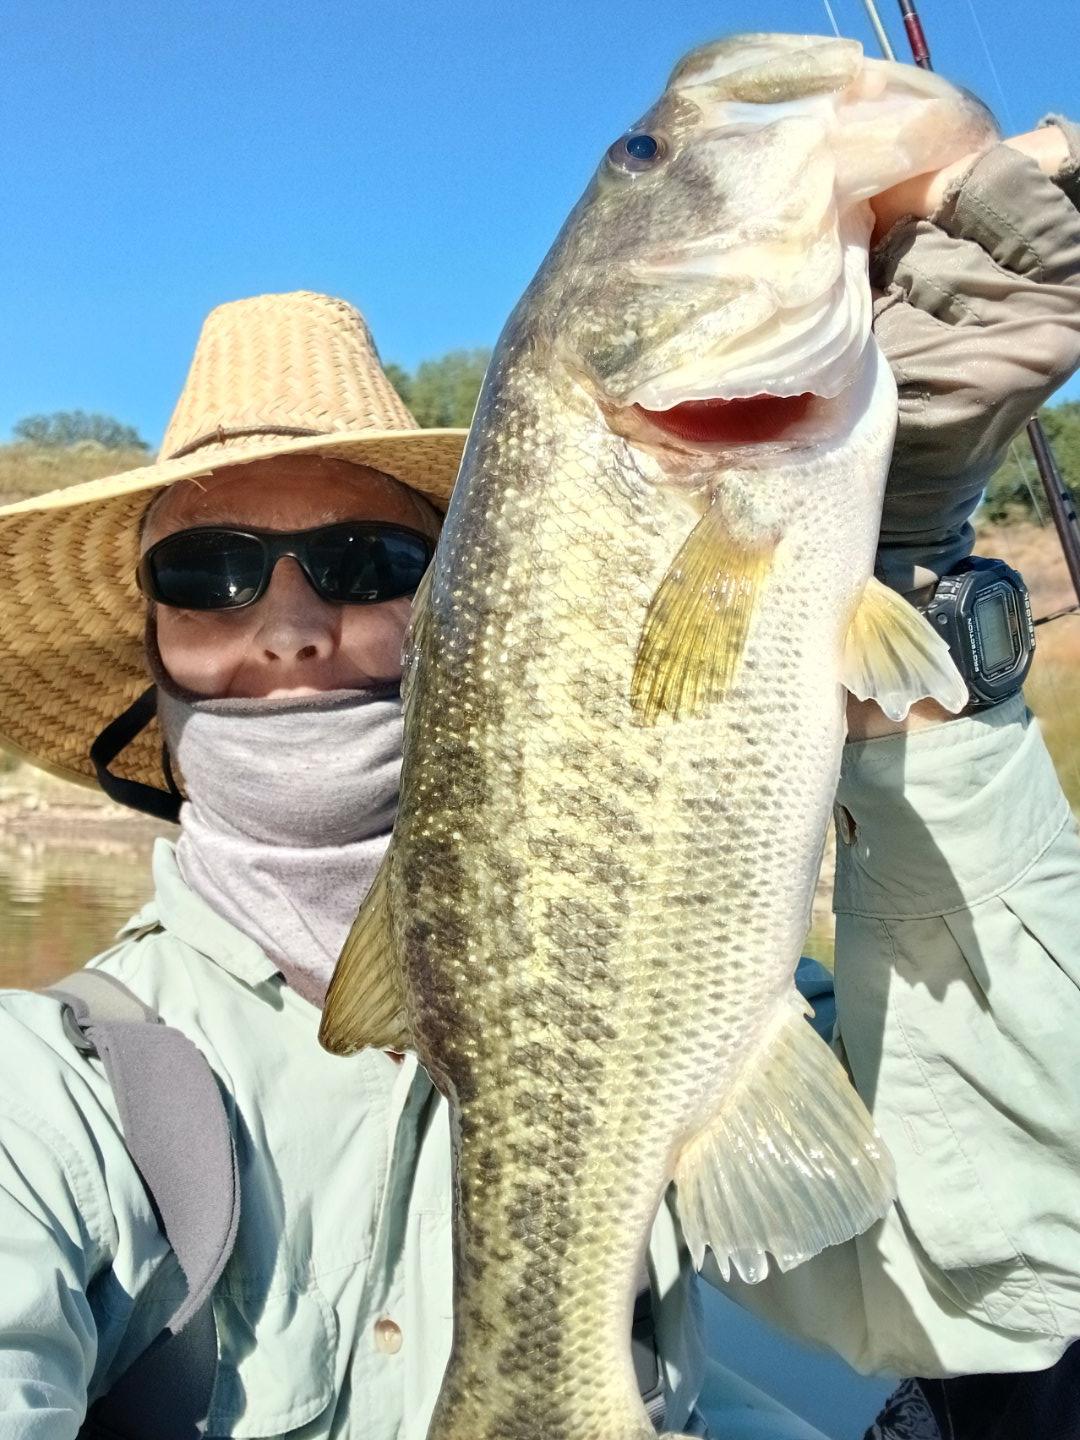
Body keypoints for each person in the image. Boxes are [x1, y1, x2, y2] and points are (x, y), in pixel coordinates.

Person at [0, 112, 1078, 1440]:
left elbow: (993, 1283)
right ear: (152, 654)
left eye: (363, 564)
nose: (287, 624)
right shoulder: (42, 1090)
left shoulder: (703, 976)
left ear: (472, 607)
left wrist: (917, 592)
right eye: (207, 573)